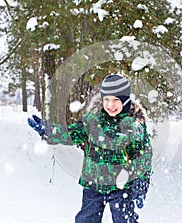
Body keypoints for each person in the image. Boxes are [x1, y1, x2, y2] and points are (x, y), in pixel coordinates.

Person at [28, 74, 152, 223]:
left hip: (122, 186)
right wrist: (47, 129)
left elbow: (143, 156)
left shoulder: (134, 125)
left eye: (116, 100)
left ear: (125, 101)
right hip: (93, 182)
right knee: (86, 220)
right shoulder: (93, 120)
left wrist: (141, 183)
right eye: (107, 99)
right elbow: (71, 134)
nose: (110, 105)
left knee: (124, 220)